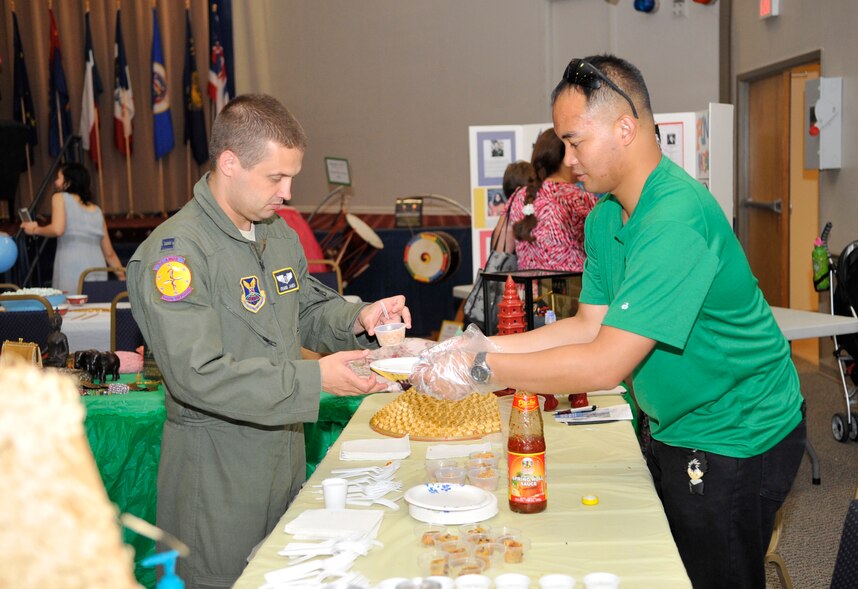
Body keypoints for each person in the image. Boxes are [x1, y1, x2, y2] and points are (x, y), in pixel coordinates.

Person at [410, 55, 805, 589]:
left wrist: (482, 370)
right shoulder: (603, 218)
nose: (568, 159)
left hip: (736, 430)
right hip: (676, 421)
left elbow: (605, 362)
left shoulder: (674, 220)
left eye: (576, 141)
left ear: (626, 128)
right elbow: (585, 326)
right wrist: (478, 346)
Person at [126, 94, 410, 588]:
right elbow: (199, 375)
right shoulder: (176, 255)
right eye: (276, 178)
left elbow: (304, 308)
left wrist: (361, 317)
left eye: (291, 177)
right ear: (230, 163)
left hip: (283, 456)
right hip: (216, 475)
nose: (287, 192)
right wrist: (315, 378)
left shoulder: (274, 233)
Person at [21, 162, 125, 293]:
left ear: (68, 182)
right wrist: (122, 277)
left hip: (71, 266)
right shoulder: (97, 210)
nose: (56, 182)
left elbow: (57, 229)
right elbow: (109, 253)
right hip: (97, 269)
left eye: (59, 178)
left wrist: (35, 229)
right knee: (96, 307)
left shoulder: (59, 197)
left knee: (71, 309)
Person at [508, 128, 596, 271]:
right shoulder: (579, 198)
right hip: (570, 290)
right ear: (565, 157)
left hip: (527, 290)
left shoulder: (519, 196)